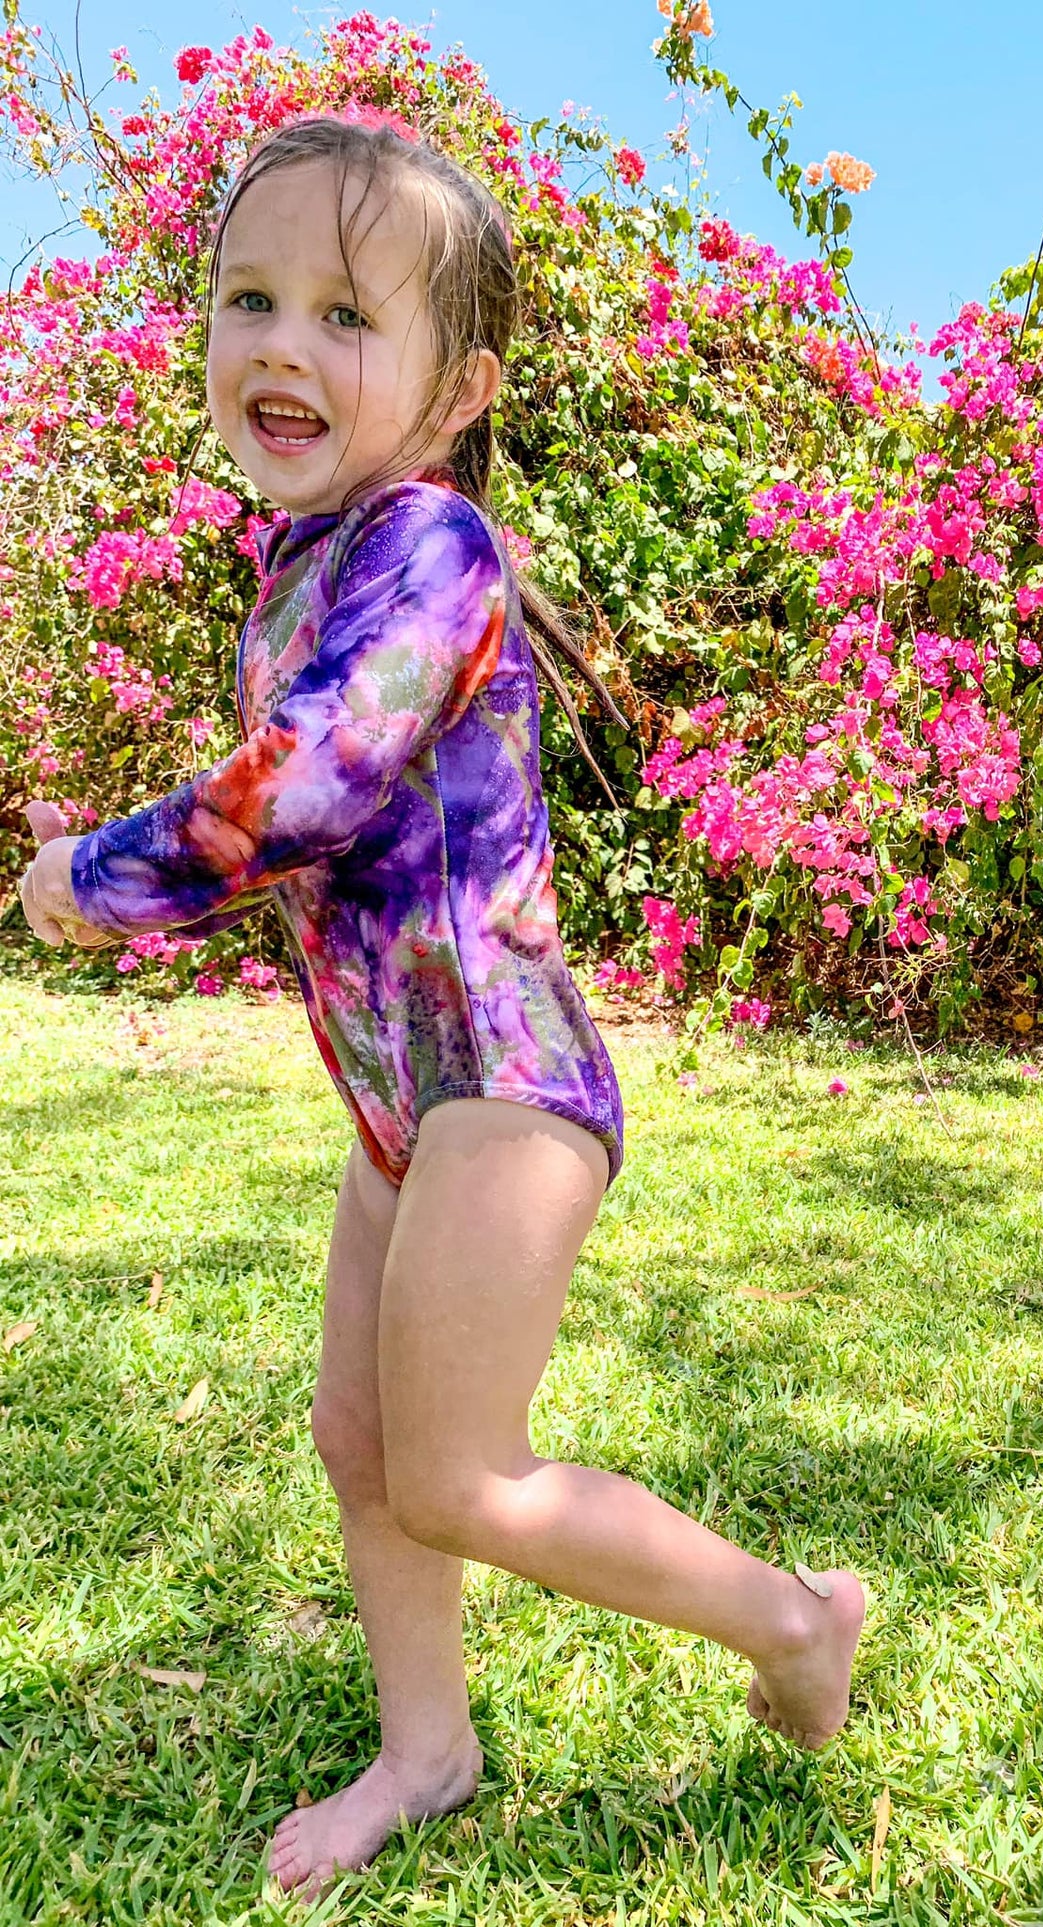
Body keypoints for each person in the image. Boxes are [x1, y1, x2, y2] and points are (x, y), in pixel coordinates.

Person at [18, 117, 866, 1899]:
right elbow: (292, 777)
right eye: (250, 297)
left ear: (454, 381)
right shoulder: (310, 564)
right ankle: (431, 1749)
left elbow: (306, 789)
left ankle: (795, 1621)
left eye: (346, 313)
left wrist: (88, 877)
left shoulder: (432, 542)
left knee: (462, 1476)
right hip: (403, 1090)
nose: (282, 343)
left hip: (503, 1078)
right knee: (366, 1445)